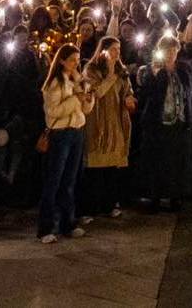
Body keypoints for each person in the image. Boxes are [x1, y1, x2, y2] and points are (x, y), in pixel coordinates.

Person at [37, 44, 94, 243]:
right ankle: (46, 227)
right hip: (60, 134)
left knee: (70, 180)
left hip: (77, 132)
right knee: (54, 181)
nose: (75, 64)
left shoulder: (77, 81)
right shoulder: (55, 83)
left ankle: (67, 223)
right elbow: (53, 111)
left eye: (77, 60)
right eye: (71, 60)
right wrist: (76, 100)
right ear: (61, 60)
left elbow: (84, 110)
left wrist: (88, 99)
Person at [136, 35, 192, 211]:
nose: (171, 54)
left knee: (178, 162)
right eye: (168, 50)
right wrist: (157, 75)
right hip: (159, 122)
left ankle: (175, 196)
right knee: (158, 161)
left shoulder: (185, 69)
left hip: (180, 121)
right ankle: (155, 196)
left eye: (174, 50)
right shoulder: (153, 69)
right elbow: (147, 94)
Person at [81, 36, 135, 217]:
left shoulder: (121, 71)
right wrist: (110, 76)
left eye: (118, 49)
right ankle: (91, 206)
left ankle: (110, 204)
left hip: (115, 121)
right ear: (103, 51)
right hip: (98, 121)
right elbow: (96, 92)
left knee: (112, 167)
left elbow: (127, 90)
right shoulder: (91, 69)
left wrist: (129, 97)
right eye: (113, 49)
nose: (116, 53)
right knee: (95, 167)